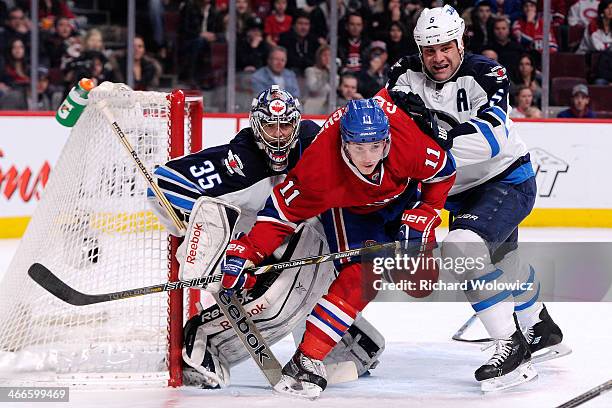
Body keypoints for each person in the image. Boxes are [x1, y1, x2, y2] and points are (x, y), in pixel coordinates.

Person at [218, 95, 456, 398]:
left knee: (419, 281)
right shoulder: (319, 168)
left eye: (375, 147)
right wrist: (249, 252)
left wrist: (426, 212)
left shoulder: (406, 143)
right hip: (351, 211)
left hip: (402, 199)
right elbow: (279, 214)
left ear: (386, 140)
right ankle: (308, 358)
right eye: (358, 147)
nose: (368, 157)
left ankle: (340, 328)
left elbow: (444, 172)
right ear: (344, 143)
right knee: (363, 278)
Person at [148, 86, 386, 389]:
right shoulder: (239, 160)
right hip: (258, 240)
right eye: (270, 125)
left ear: (297, 124)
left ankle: (342, 346)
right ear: (255, 124)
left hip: (306, 231)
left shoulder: (316, 142)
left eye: (285, 125)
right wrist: (211, 244)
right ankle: (203, 344)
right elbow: (163, 184)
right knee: (279, 299)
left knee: (331, 281)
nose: (278, 135)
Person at [387, 4, 567, 392]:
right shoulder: (402, 75)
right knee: (503, 263)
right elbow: (390, 128)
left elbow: (491, 140)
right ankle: (542, 329)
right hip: (456, 193)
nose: (438, 58)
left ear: (461, 41)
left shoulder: (487, 73)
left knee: (462, 249)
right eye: (429, 50)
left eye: (446, 47)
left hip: (506, 181)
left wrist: (426, 151)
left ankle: (511, 345)